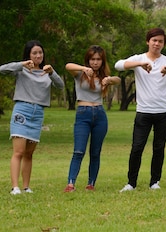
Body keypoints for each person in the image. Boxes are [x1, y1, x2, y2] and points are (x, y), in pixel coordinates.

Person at [116, 28, 166, 192]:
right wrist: (139, 64)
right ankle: (131, 183)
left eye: (160, 41)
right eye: (154, 40)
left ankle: (154, 181)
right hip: (144, 111)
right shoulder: (139, 59)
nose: (157, 44)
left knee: (159, 148)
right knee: (137, 147)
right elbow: (119, 65)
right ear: (148, 41)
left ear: (164, 44)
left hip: (164, 111)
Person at [0, 40, 65, 195]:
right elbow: (2, 69)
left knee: (29, 153)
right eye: (34, 53)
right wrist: (21, 64)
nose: (38, 55)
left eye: (40, 53)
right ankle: (15, 187)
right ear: (28, 55)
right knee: (19, 151)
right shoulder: (22, 70)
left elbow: (60, 85)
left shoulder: (46, 72)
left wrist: (52, 72)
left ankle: (26, 187)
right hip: (22, 111)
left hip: (38, 113)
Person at [64, 45, 121, 192]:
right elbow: (67, 66)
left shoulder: (103, 77)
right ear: (88, 60)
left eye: (98, 60)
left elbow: (118, 80)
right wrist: (83, 69)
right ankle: (70, 184)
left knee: (95, 152)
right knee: (79, 151)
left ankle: (91, 184)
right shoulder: (80, 74)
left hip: (100, 114)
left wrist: (109, 79)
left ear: (102, 61)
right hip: (83, 113)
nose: (95, 62)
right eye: (92, 59)